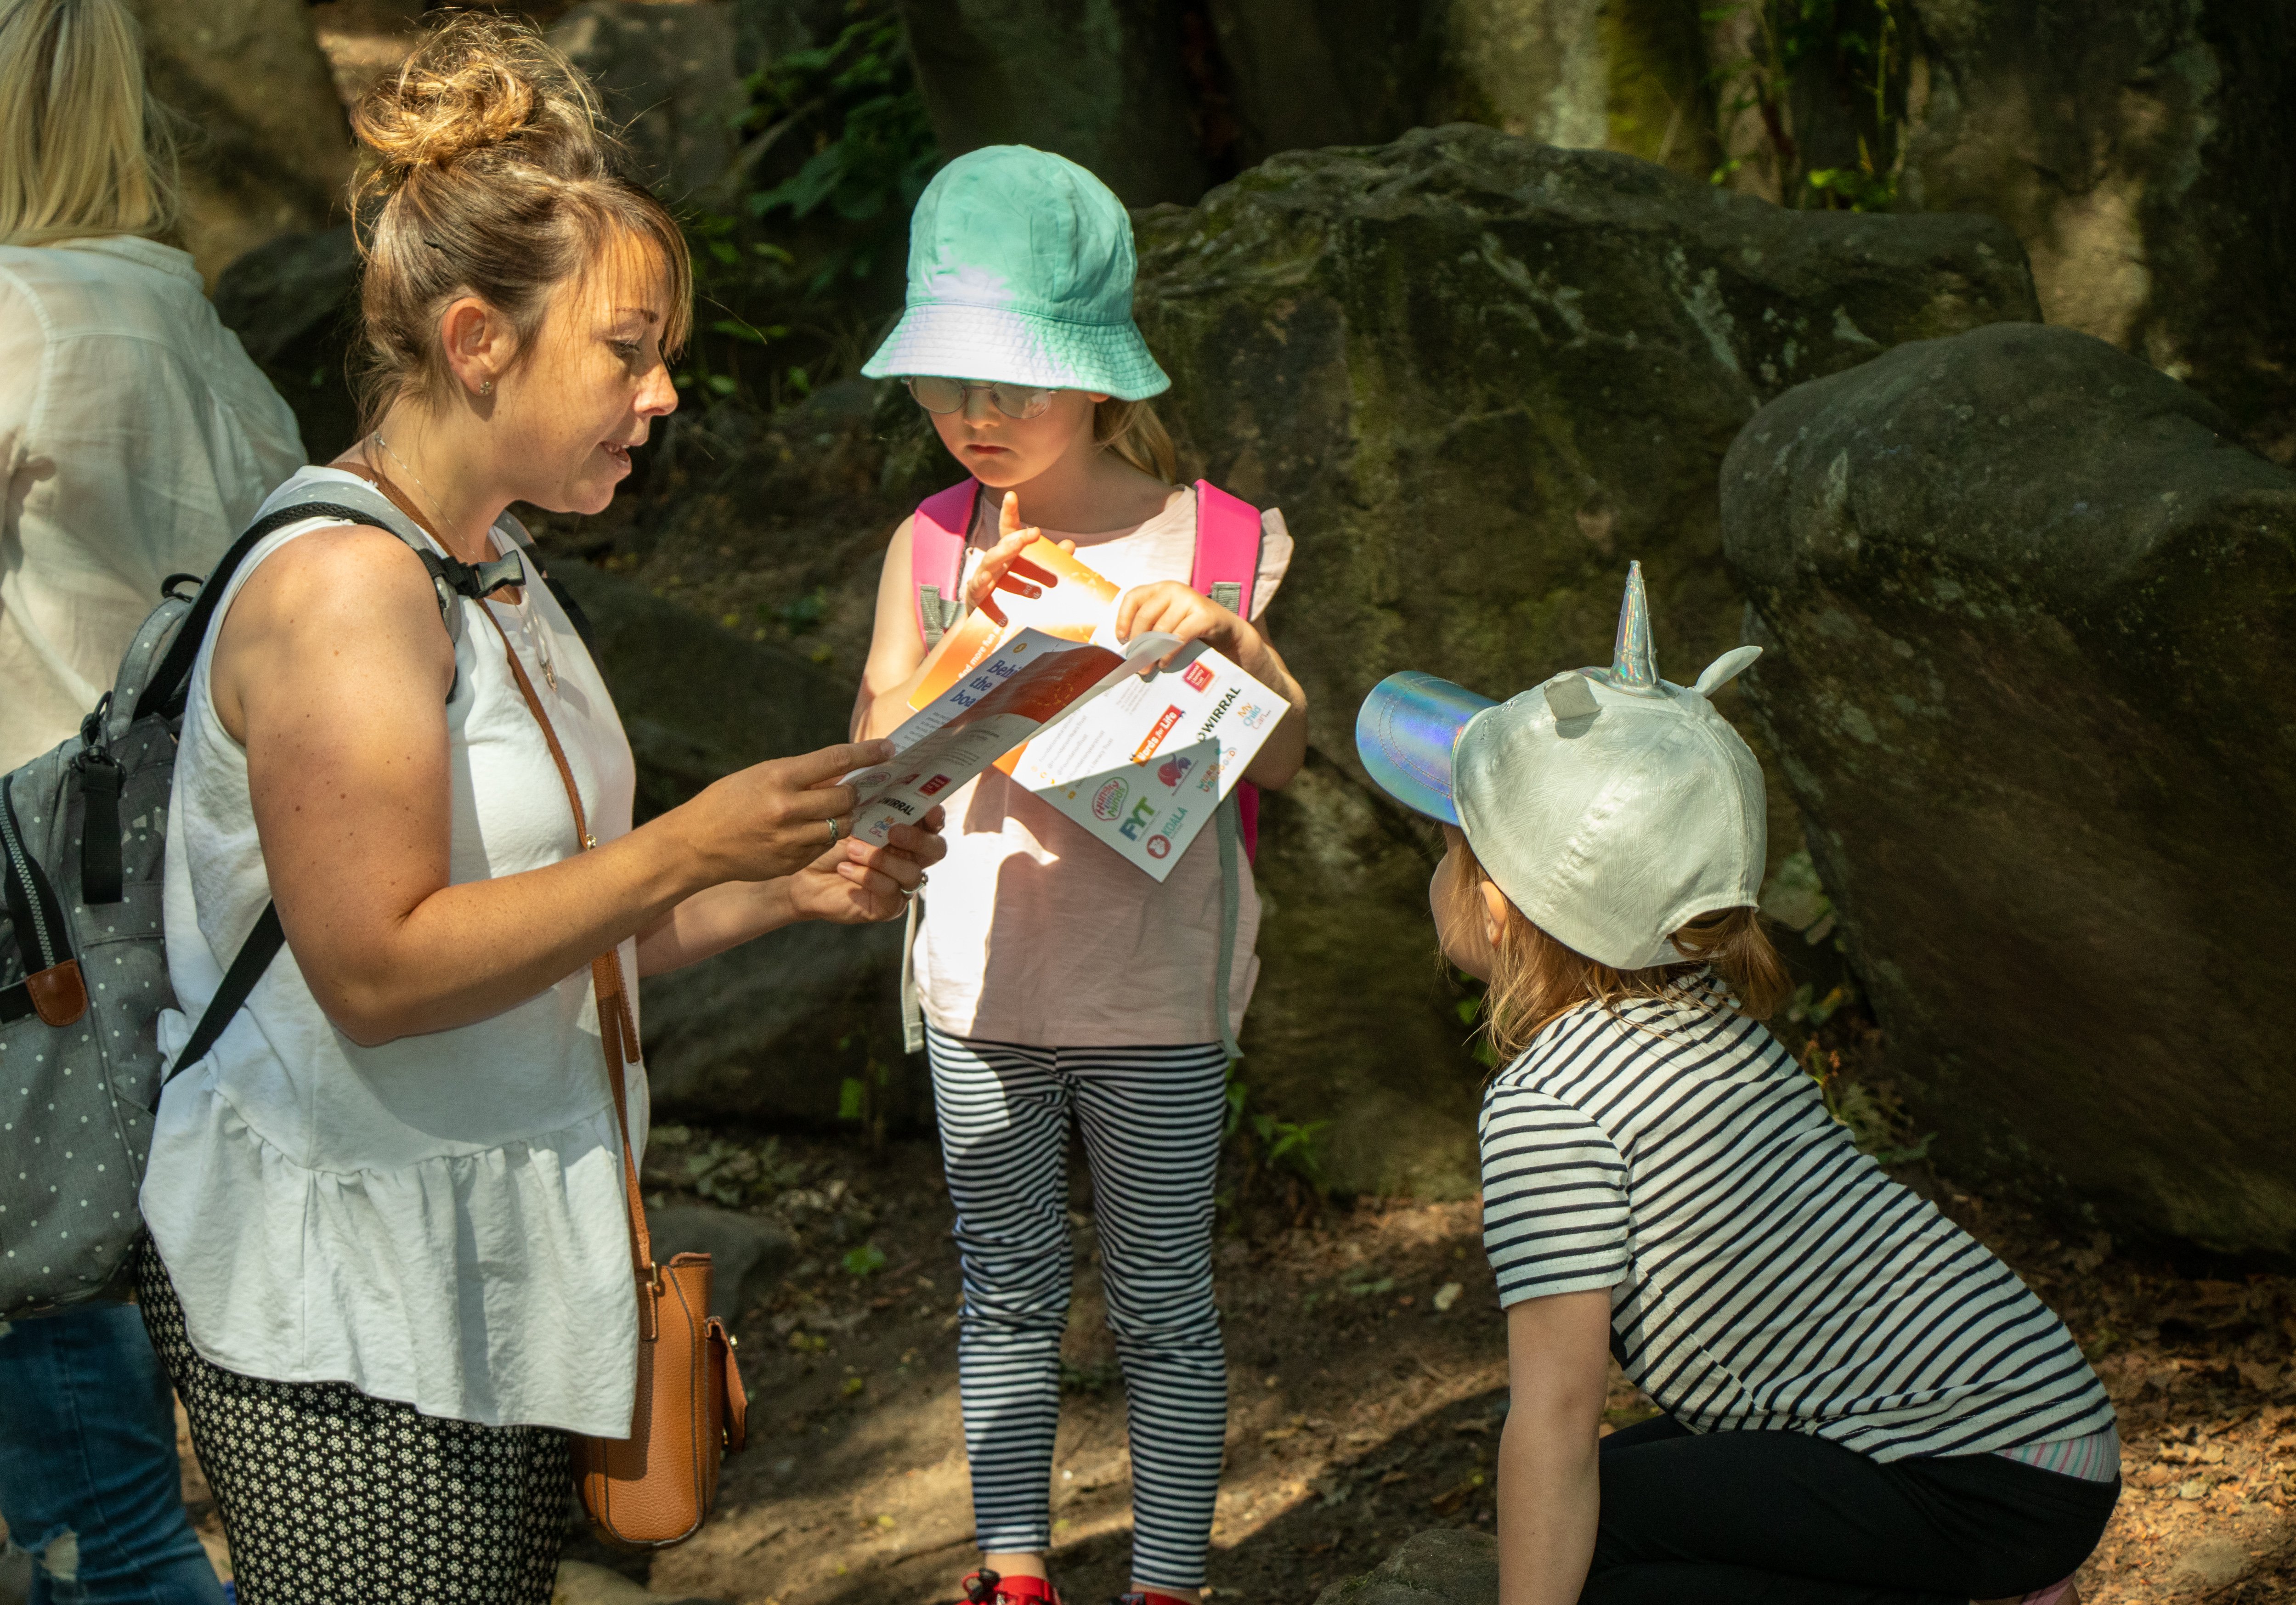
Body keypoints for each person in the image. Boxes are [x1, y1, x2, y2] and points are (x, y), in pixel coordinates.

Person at [130, 18, 940, 1605]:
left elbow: (565, 923)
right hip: (351, 1283)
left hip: (491, 1255)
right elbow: (376, 969)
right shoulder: (346, 587)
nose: (665, 392)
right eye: (627, 351)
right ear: (476, 340)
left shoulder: (490, 561)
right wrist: (684, 844)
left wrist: (781, 888)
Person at [1352, 563, 2119, 1605]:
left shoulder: (1548, 1105)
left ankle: (1983, 1585)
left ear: (1500, 905)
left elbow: (1556, 1413)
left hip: (1976, 1479)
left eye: (1452, 845)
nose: (1436, 868)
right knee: (1615, 1487)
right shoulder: (1699, 1012)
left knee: (1606, 1558)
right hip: (2038, 1424)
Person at [848, 146, 1310, 1605]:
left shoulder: (1223, 539)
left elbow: (1287, 763)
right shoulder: (934, 538)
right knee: (1004, 1290)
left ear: (1101, 375)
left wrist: (1231, 645)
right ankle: (1012, 1571)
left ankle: (1168, 1578)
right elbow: (868, 742)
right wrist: (959, 658)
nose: (974, 418)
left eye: (1013, 384)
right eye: (945, 382)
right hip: (983, 974)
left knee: (1163, 1297)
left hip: (1159, 989)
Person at [0, 0, 303, 1598]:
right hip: (204, 939)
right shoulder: (200, 330)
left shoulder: (15, 316)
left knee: (89, 1501)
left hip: (34, 964)